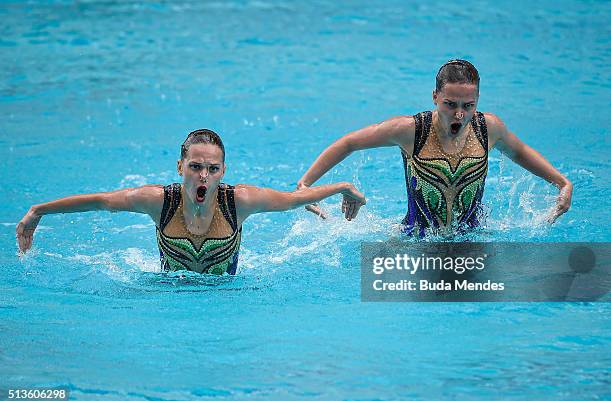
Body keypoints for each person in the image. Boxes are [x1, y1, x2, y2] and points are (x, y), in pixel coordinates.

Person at [16, 129, 366, 274]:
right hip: (169, 296)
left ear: (223, 170)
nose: (203, 176)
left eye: (213, 168)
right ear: (180, 166)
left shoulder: (238, 201)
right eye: (196, 166)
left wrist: (343, 187)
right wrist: (38, 211)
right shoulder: (158, 201)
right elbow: (103, 201)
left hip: (227, 300)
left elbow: (292, 200)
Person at [297, 59, 573, 236]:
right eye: (450, 104)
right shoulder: (410, 130)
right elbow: (349, 142)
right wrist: (306, 184)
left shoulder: (489, 127)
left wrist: (561, 183)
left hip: (473, 237)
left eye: (468, 106)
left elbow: (520, 152)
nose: (459, 115)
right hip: (415, 241)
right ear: (435, 97)